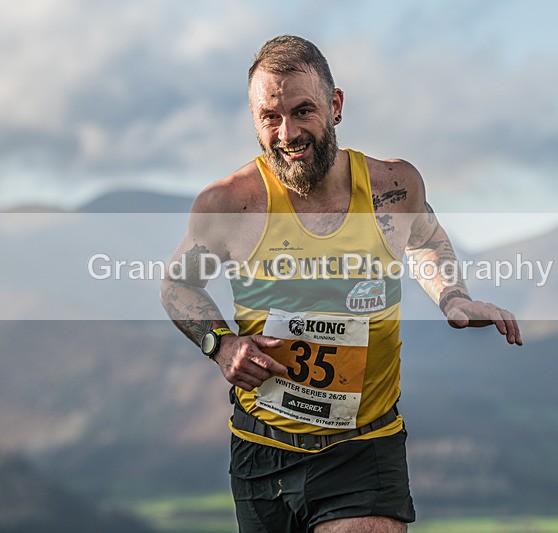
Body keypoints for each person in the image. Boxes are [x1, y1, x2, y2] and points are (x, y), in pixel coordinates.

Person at [161, 35, 522, 533]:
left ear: (335, 106)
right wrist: (220, 345)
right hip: (262, 450)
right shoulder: (229, 204)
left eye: (302, 111)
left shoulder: (393, 186)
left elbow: (424, 239)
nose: (287, 133)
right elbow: (178, 286)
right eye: (270, 117)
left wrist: (454, 299)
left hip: (365, 447)